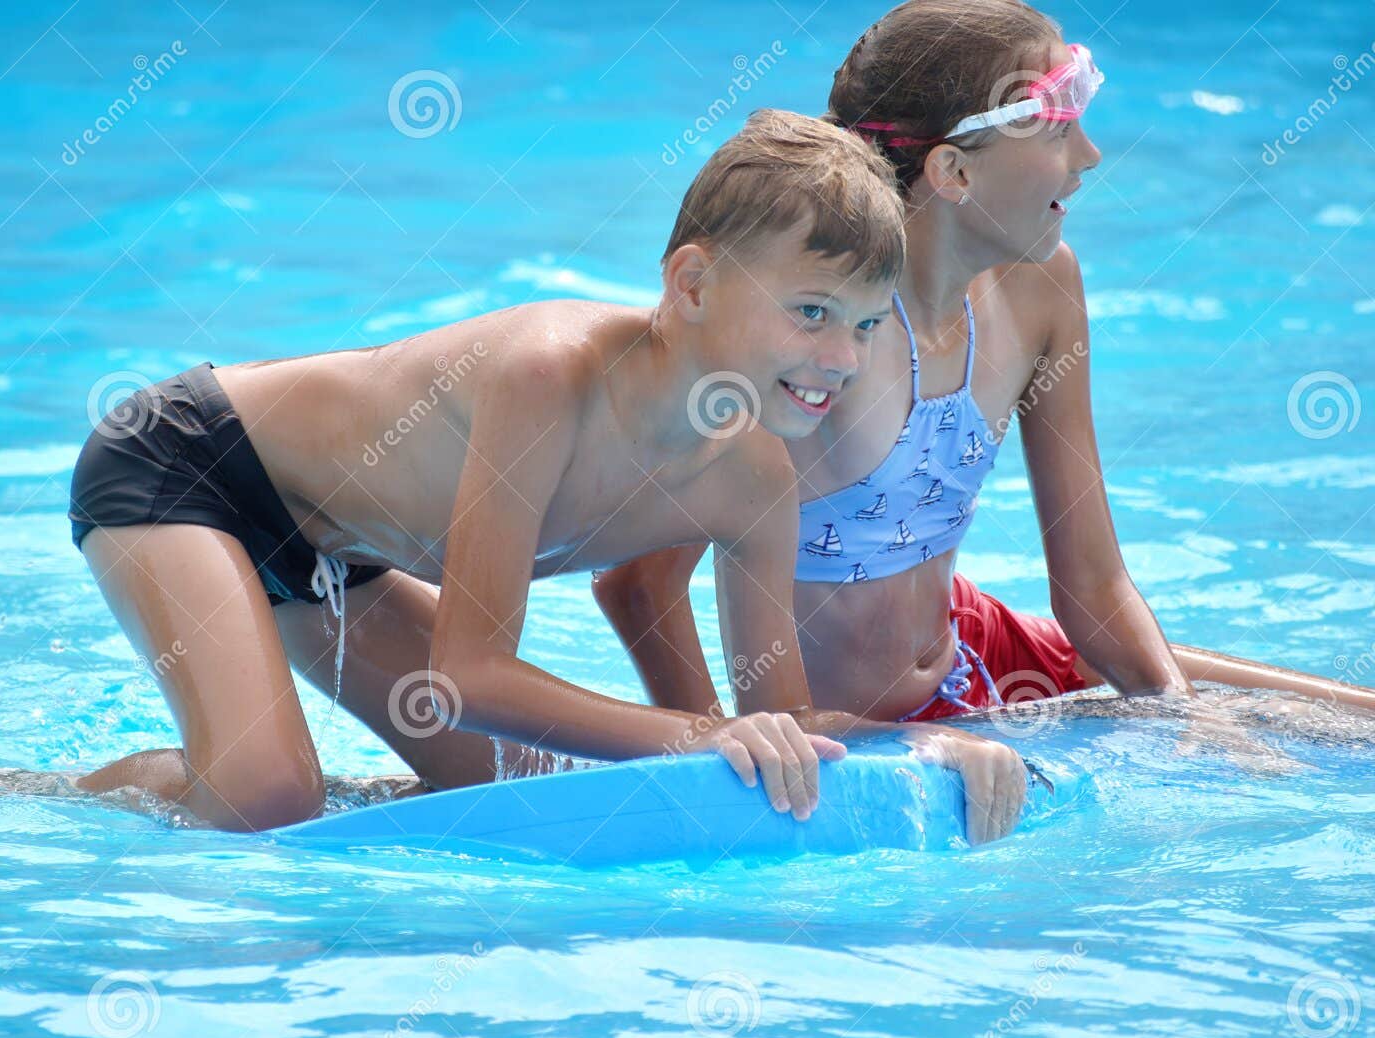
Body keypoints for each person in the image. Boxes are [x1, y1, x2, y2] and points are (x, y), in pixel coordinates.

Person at [61, 109, 1034, 839]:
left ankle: (248, 756)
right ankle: (68, 792)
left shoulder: (755, 484)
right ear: (690, 284)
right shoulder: (551, 375)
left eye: (866, 326)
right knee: (269, 799)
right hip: (188, 464)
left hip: (328, 546)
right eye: (811, 312)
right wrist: (690, 735)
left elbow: (773, 721)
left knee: (514, 789)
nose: (840, 357)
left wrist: (917, 746)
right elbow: (470, 675)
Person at [594, 0, 1375, 747]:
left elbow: (1096, 590)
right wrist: (722, 746)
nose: (1091, 156)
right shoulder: (818, 343)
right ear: (954, 172)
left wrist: (1182, 718)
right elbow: (638, 583)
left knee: (1344, 726)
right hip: (864, 733)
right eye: (1058, 129)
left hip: (981, 654)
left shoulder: (1041, 288)